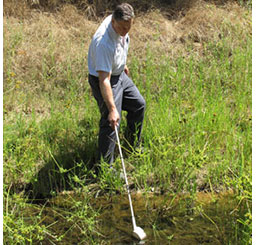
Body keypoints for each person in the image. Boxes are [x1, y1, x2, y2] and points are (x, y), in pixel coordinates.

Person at [88, 3, 146, 165]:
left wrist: (121, 64)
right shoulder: (103, 43)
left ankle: (132, 146)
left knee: (138, 105)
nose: (125, 31)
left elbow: (120, 45)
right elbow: (104, 80)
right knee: (111, 121)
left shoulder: (121, 23)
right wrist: (113, 109)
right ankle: (106, 168)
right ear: (113, 22)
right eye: (122, 28)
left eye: (129, 27)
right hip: (105, 79)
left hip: (118, 73)